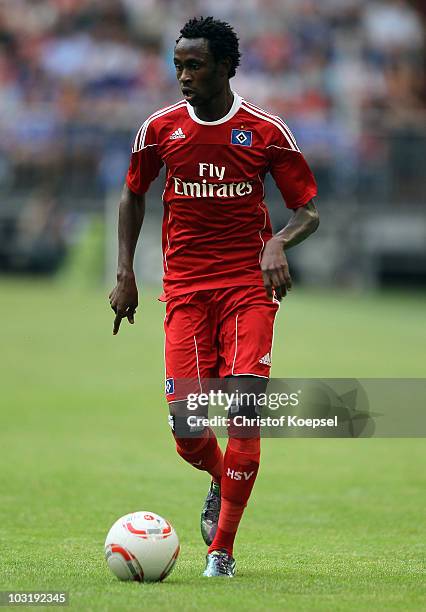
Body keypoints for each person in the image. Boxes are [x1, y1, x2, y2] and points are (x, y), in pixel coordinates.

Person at [109, 16, 319, 578]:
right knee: (187, 431)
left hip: (249, 292)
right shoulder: (159, 129)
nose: (182, 76)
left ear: (226, 67)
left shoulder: (265, 130)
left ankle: (220, 551)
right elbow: (133, 195)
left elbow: (308, 211)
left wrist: (277, 241)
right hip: (184, 293)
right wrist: (125, 272)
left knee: (244, 419)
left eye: (194, 65)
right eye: (178, 65)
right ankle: (219, 481)